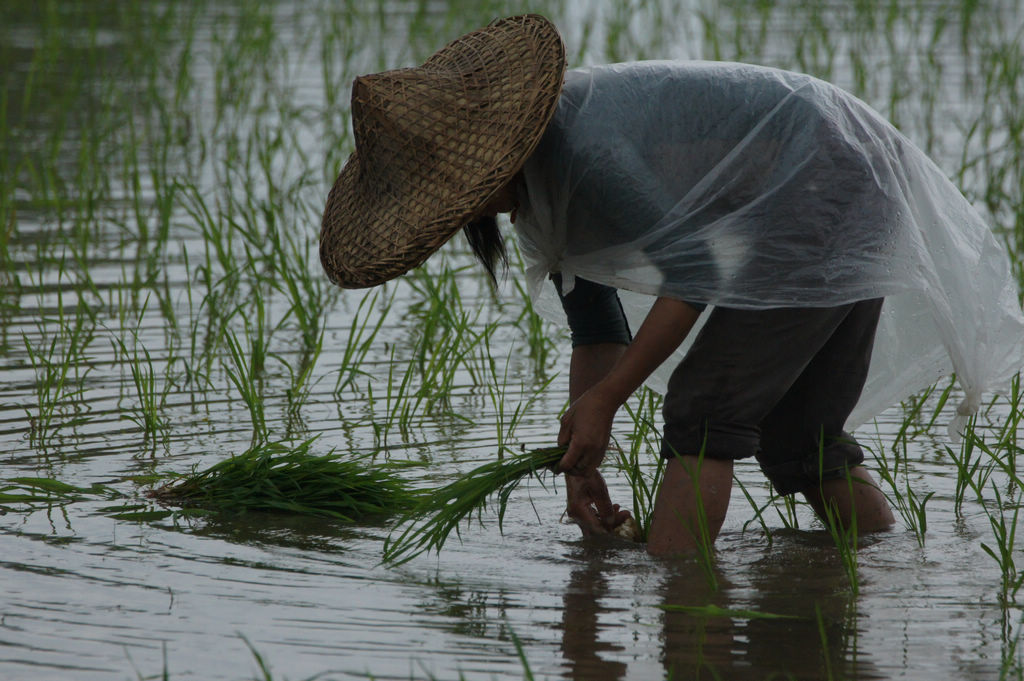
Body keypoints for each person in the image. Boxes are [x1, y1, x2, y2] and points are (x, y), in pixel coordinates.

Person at [320, 15, 1024, 555]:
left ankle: (681, 601)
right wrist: (580, 460)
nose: (447, 218)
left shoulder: (585, 153)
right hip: (830, 178)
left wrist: (607, 397)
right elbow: (596, 327)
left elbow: (701, 273)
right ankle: (886, 570)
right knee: (801, 439)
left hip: (830, 173)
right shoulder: (538, 197)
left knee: (702, 408)